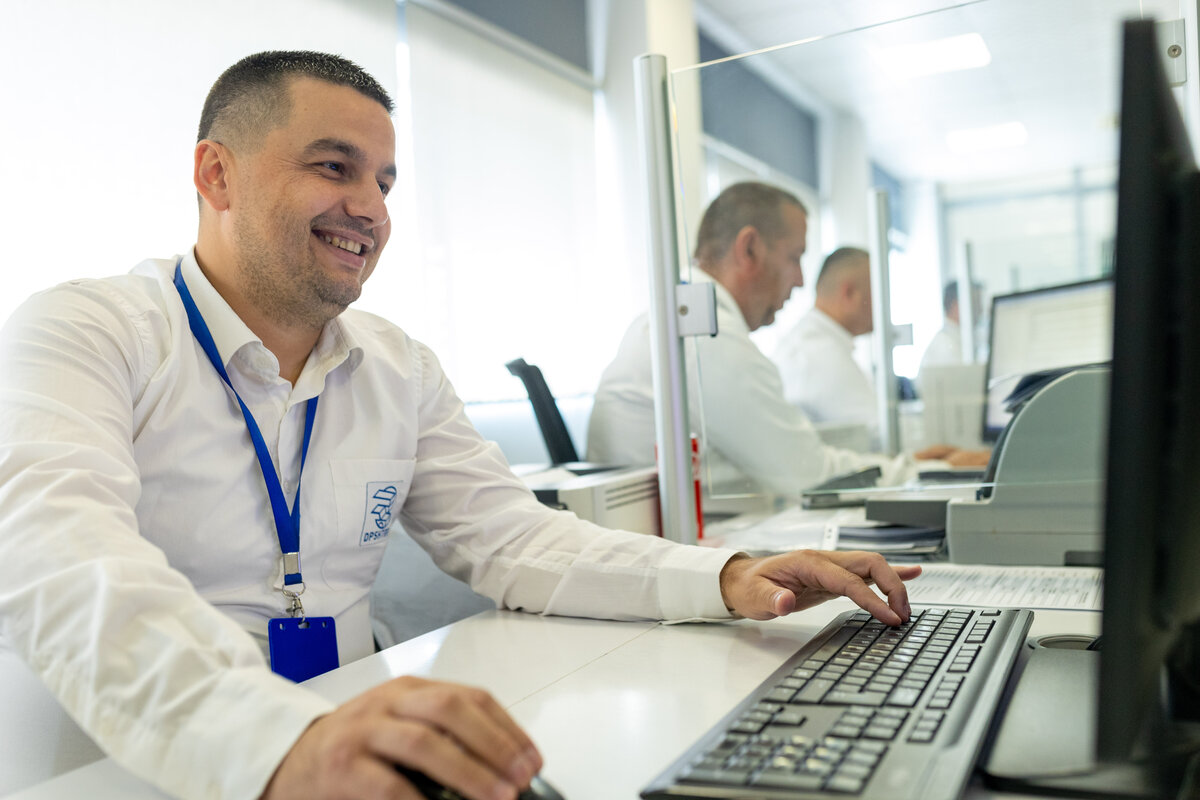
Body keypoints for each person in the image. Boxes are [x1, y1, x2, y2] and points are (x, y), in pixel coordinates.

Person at [0, 53, 923, 800]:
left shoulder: (396, 365)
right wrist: (276, 741)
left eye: (384, 180)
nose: (370, 208)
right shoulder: (86, 330)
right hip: (125, 768)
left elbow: (515, 540)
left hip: (352, 750)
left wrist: (726, 576)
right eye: (333, 166)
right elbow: (66, 559)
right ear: (217, 174)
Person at [587, 182, 965, 497]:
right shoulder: (703, 332)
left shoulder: (683, 317)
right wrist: (931, 472)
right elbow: (807, 474)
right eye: (794, 257)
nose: (800, 281)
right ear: (749, 249)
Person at [770, 246, 878, 432]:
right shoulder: (819, 354)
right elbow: (880, 432)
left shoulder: (814, 343)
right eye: (878, 293)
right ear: (849, 293)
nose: (884, 304)